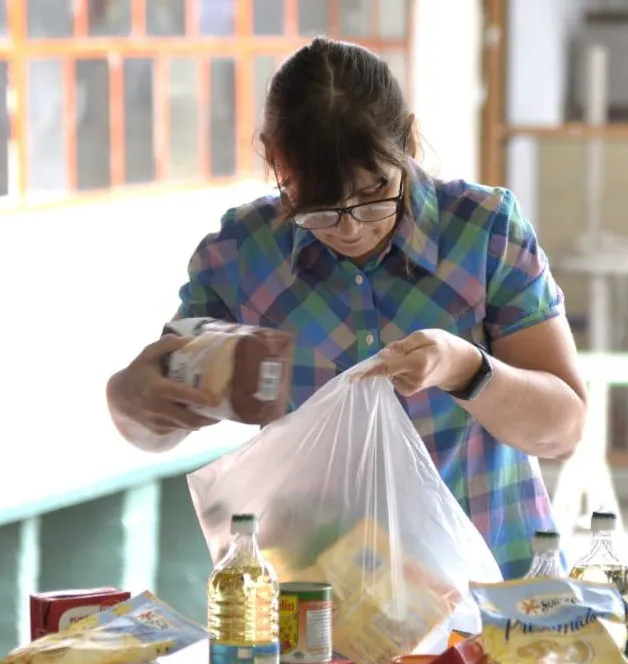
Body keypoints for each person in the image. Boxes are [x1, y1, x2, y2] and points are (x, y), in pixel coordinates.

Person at [106, 37, 587, 578]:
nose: (350, 227)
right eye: (317, 207)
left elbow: (562, 429)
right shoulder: (243, 254)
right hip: (325, 610)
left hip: (493, 591)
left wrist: (465, 369)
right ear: (272, 159)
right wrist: (128, 400)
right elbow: (160, 424)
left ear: (405, 138)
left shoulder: (483, 231)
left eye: (373, 192)